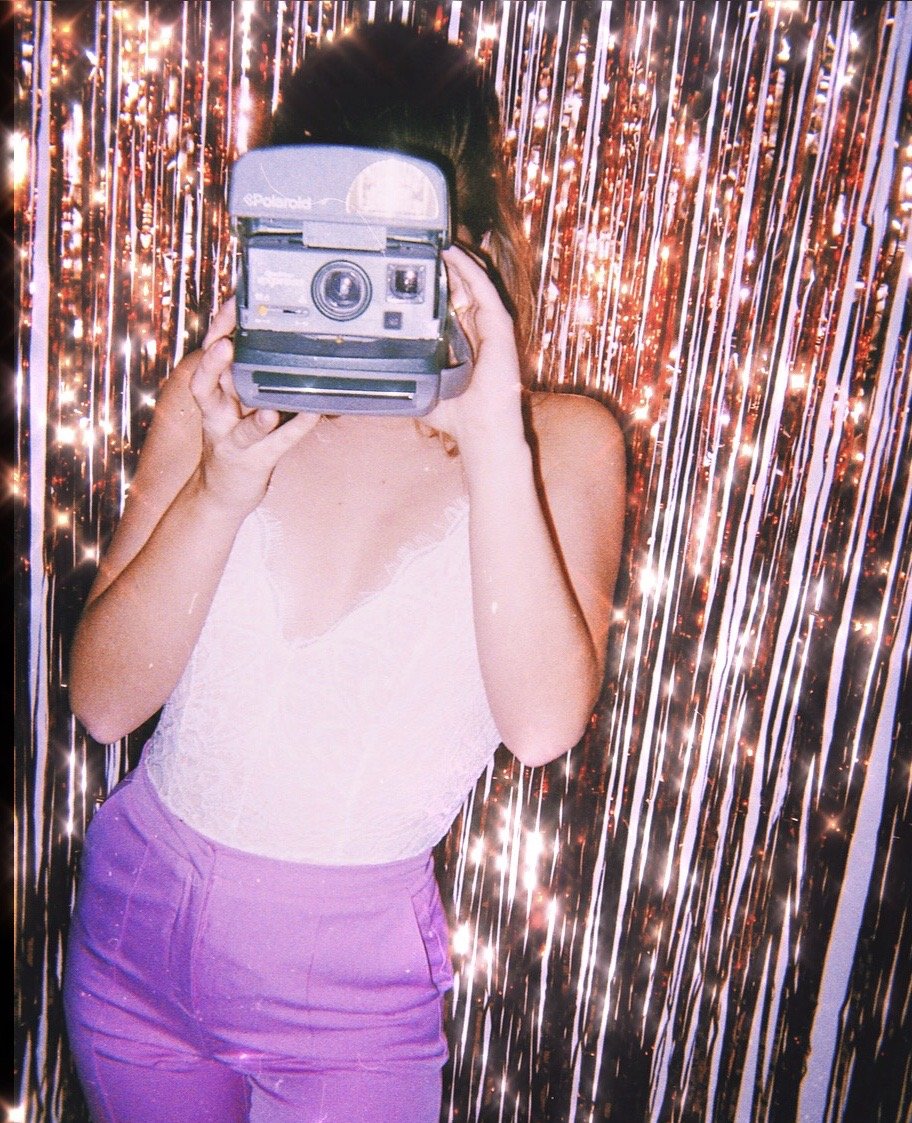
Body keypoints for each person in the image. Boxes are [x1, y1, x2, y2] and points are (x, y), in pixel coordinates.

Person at [63, 22, 626, 1123]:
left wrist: (491, 436)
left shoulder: (561, 444)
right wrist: (220, 487)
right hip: (133, 934)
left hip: (348, 1004)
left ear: (467, 245)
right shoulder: (220, 398)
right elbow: (103, 701)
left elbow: (541, 726)